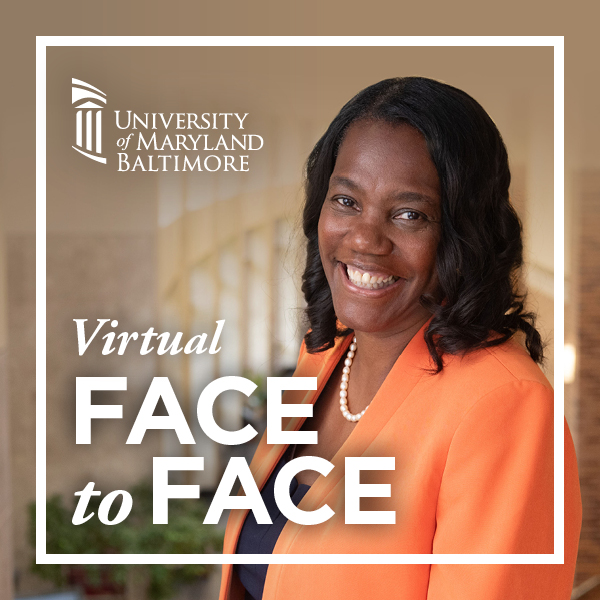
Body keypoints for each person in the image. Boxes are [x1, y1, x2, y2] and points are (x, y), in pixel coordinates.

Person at [218, 77, 582, 600]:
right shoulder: (325, 354)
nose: (365, 238)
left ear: (464, 232)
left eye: (410, 214)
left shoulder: (507, 407)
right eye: (345, 200)